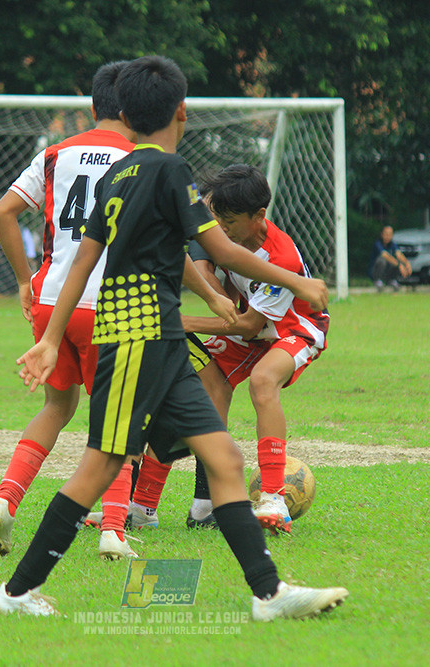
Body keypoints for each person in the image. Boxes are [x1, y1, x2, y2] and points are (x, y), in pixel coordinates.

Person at [0, 55, 348, 620]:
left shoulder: (120, 174)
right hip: (134, 340)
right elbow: (225, 252)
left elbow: (86, 262)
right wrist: (297, 281)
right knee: (100, 469)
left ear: (124, 112)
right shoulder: (168, 171)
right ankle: (15, 594)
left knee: (226, 460)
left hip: (157, 342)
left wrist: (52, 334)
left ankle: (269, 595)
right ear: (182, 111)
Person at [0, 61, 144, 560]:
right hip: (109, 304)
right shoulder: (141, 159)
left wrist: (24, 280)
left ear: (93, 106)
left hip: (53, 301)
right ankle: (113, 529)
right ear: (132, 107)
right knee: (118, 417)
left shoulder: (55, 153)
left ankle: (5, 500)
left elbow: (2, 211)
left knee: (57, 406)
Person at [125, 164, 329, 534]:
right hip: (246, 325)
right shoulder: (220, 230)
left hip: (292, 328)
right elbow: (202, 262)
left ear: (259, 217)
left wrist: (183, 322)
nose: (218, 228)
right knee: (194, 397)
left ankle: (273, 498)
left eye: (229, 221)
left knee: (263, 381)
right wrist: (212, 289)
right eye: (213, 218)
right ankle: (148, 507)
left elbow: (251, 325)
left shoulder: (278, 258)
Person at [368, 225, 411, 291]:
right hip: (375, 271)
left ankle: (391, 280)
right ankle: (377, 280)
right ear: (382, 234)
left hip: (386, 271)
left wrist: (406, 263)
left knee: (395, 261)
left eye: (390, 234)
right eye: (386, 234)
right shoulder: (378, 244)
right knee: (383, 260)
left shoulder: (393, 244)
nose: (388, 236)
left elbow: (399, 255)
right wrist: (399, 265)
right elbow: (385, 255)